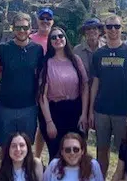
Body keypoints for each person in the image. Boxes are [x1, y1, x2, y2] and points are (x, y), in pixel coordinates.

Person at [88, 14, 127, 177]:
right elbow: (95, 83)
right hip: (101, 110)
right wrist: (91, 110)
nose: (113, 30)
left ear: (121, 29)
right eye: (109, 26)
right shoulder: (98, 55)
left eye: (116, 26)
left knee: (122, 150)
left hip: (123, 111)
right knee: (101, 149)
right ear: (104, 29)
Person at [38, 26, 89, 160]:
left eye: (60, 36)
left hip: (75, 110)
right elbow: (42, 95)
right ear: (50, 41)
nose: (58, 39)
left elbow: (84, 87)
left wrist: (84, 114)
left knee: (76, 153)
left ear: (65, 38)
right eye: (53, 37)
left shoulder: (75, 60)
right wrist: (49, 122)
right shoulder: (46, 63)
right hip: (54, 112)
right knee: (56, 154)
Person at [0, 12, 44, 147]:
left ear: (30, 29)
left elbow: (40, 75)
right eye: (18, 28)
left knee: (26, 147)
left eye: (25, 27)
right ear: (12, 29)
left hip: (28, 106)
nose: (21, 31)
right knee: (5, 148)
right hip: (6, 106)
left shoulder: (37, 50)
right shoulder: (2, 49)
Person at [29, 8, 53, 158]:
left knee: (44, 124)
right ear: (37, 20)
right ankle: (33, 156)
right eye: (42, 18)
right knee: (34, 122)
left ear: (52, 21)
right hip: (31, 87)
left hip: (52, 88)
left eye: (48, 19)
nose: (45, 21)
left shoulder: (56, 39)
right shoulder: (30, 39)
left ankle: (38, 156)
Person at [73, 18, 105, 83]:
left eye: (94, 28)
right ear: (84, 32)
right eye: (88, 29)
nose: (91, 31)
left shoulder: (106, 49)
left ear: (100, 31)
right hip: (83, 88)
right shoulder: (77, 50)